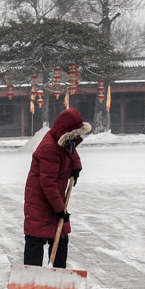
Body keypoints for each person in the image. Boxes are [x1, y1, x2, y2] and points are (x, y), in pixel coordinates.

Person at [23, 108, 89, 275]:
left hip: (54, 197)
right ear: (66, 132)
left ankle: (58, 275)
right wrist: (60, 210)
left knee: (61, 236)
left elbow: (71, 153)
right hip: (40, 199)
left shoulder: (64, 142)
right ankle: (33, 281)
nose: (76, 138)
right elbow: (48, 183)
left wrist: (76, 167)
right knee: (36, 237)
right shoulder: (49, 149)